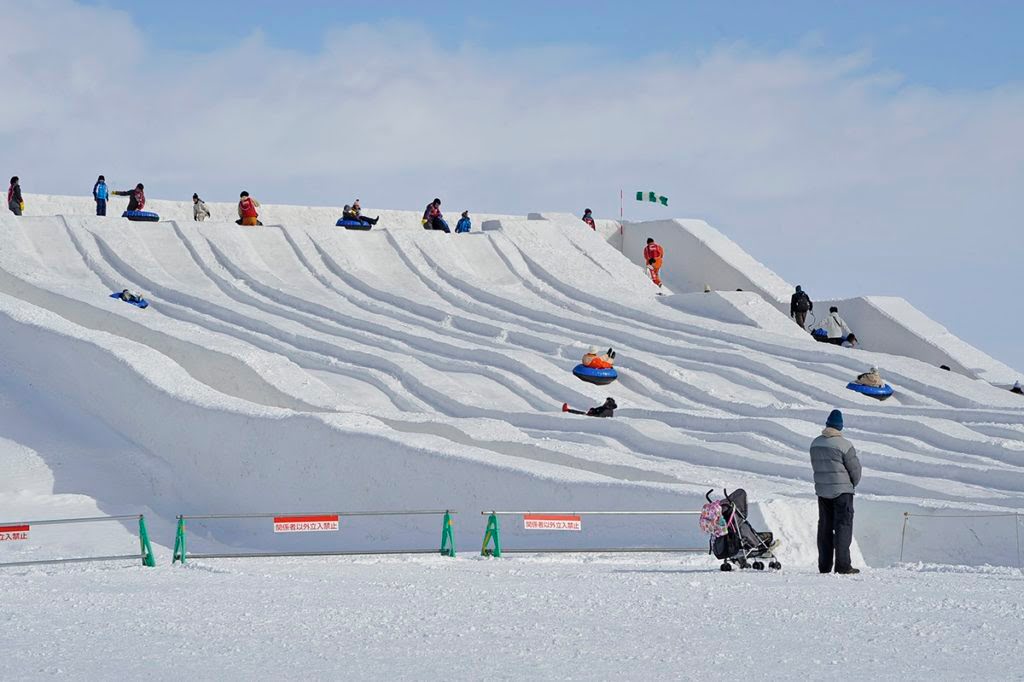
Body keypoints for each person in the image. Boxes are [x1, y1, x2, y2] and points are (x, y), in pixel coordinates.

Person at [809, 409, 862, 575]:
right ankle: (843, 565)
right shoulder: (844, 445)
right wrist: (851, 484)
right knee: (843, 526)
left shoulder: (815, 443)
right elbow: (855, 470)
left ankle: (824, 566)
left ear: (827, 424)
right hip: (842, 492)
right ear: (840, 427)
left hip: (823, 491)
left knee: (824, 527)